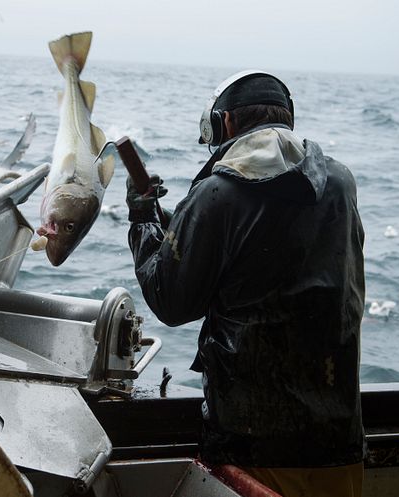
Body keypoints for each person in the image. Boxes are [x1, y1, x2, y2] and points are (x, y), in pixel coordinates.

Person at [126, 71, 366, 497]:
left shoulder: (218, 191)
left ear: (228, 125)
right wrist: (180, 228)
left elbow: (171, 298)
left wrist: (143, 216)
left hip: (254, 443)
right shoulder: (340, 181)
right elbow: (269, 256)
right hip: (339, 439)